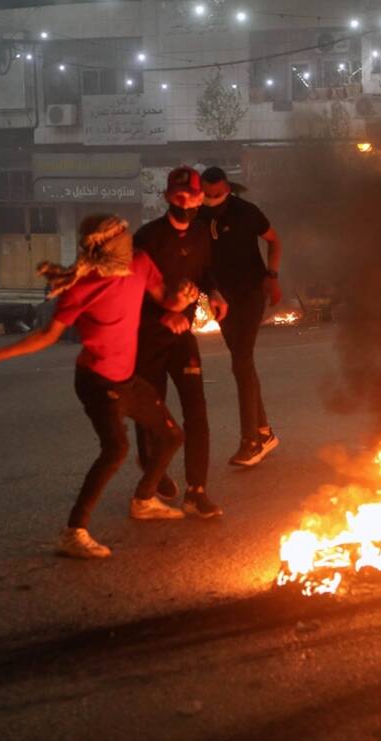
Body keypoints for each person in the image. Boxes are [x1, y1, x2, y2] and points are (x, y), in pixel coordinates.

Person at [0, 214, 197, 560]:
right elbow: (48, 335)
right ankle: (74, 532)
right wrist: (1, 354)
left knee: (172, 436)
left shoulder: (140, 263)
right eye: (116, 236)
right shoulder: (82, 285)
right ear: (99, 246)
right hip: (96, 380)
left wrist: (179, 302)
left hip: (127, 379)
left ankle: (144, 500)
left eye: (124, 232)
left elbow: (163, 298)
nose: (125, 238)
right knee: (115, 450)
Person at [133, 167, 228, 518]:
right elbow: (131, 291)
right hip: (149, 337)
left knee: (196, 412)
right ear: (167, 196)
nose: (184, 200)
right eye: (178, 194)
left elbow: (204, 273)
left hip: (183, 337)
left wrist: (214, 293)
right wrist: (163, 315)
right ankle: (151, 469)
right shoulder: (147, 238)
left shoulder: (202, 234)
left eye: (191, 194)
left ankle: (196, 492)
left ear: (201, 198)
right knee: (150, 412)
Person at [199, 167, 282, 467]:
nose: (211, 200)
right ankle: (265, 432)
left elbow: (274, 240)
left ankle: (251, 442)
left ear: (227, 189)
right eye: (206, 195)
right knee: (241, 362)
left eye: (216, 195)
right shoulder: (198, 215)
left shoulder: (247, 213)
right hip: (221, 298)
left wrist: (272, 276)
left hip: (250, 294)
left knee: (242, 360)